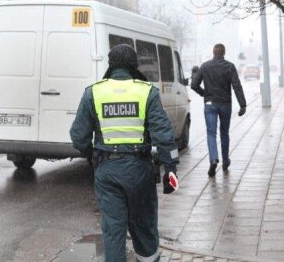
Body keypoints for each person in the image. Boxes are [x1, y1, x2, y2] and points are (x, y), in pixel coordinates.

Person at [70, 44, 179, 262]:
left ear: (110, 65)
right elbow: (165, 136)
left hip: (107, 171)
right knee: (144, 226)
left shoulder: (93, 92)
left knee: (113, 230)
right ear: (134, 66)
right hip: (140, 171)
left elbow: (78, 136)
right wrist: (171, 169)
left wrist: (92, 155)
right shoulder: (147, 91)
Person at [191, 43, 246, 177]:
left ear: (213, 52)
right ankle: (226, 161)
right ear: (224, 53)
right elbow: (236, 86)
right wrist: (242, 105)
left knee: (211, 133)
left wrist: (204, 93)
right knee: (224, 133)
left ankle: (213, 159)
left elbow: (193, 85)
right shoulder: (229, 66)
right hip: (225, 104)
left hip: (210, 104)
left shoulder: (205, 66)